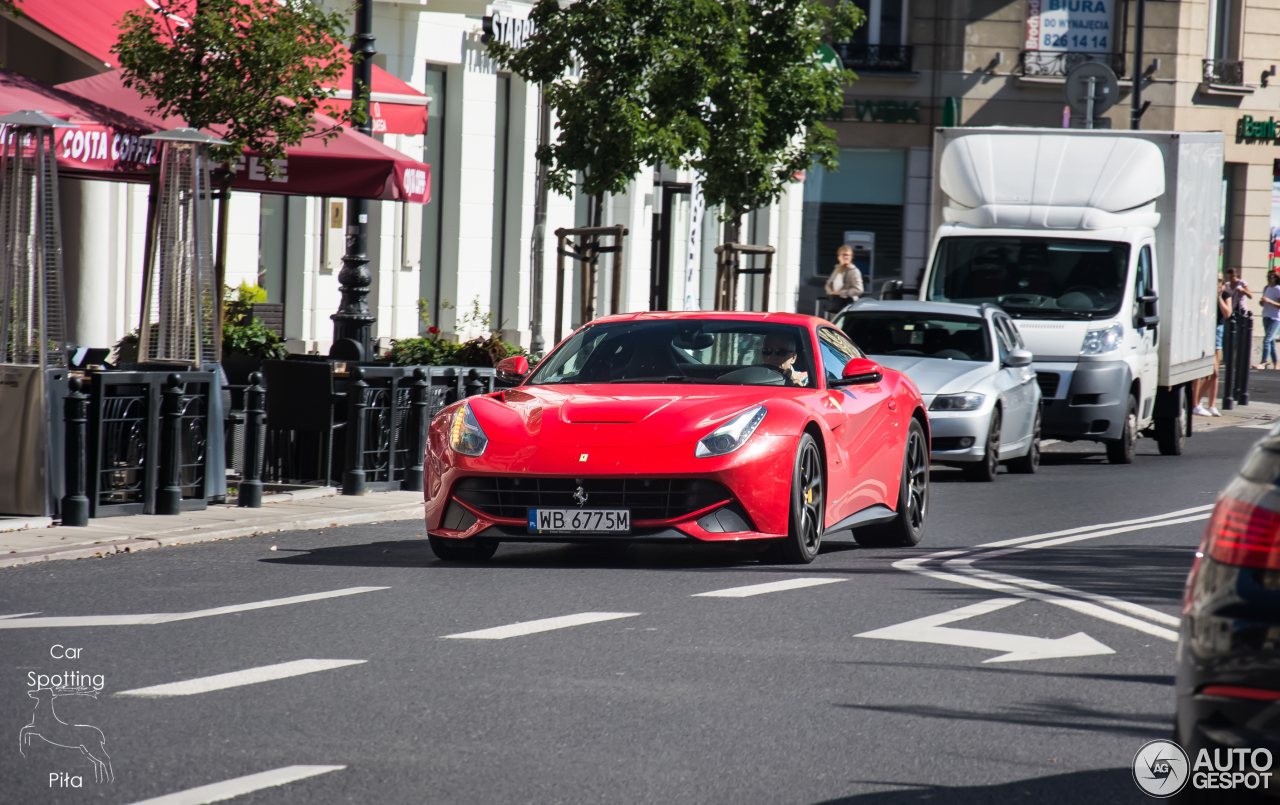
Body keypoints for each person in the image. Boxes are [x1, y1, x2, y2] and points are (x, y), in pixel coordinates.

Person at [1194, 276, 1233, 417]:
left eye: (1220, 281)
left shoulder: (1225, 295)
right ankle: (1196, 403)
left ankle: (1210, 405)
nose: (1217, 283)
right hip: (1205, 332)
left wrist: (1218, 298)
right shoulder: (1205, 295)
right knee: (1208, 372)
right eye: (1215, 280)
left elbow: (1227, 313)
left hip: (1217, 332)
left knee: (1214, 374)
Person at [824, 245, 863, 319]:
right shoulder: (837, 269)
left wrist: (841, 293)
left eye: (848, 255)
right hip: (835, 305)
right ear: (839, 257)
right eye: (844, 255)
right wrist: (830, 292)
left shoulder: (854, 271)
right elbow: (828, 283)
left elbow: (859, 290)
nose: (846, 257)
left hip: (848, 306)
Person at [1256, 271, 1280, 370]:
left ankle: (1263, 362)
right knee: (1271, 341)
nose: (1269, 278)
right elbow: (1262, 304)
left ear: (1276, 278)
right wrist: (1262, 302)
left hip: (1275, 318)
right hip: (1266, 316)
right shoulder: (1266, 288)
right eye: (1268, 276)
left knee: (1267, 339)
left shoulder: (1278, 289)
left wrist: (1270, 301)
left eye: (1272, 276)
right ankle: (1276, 363)